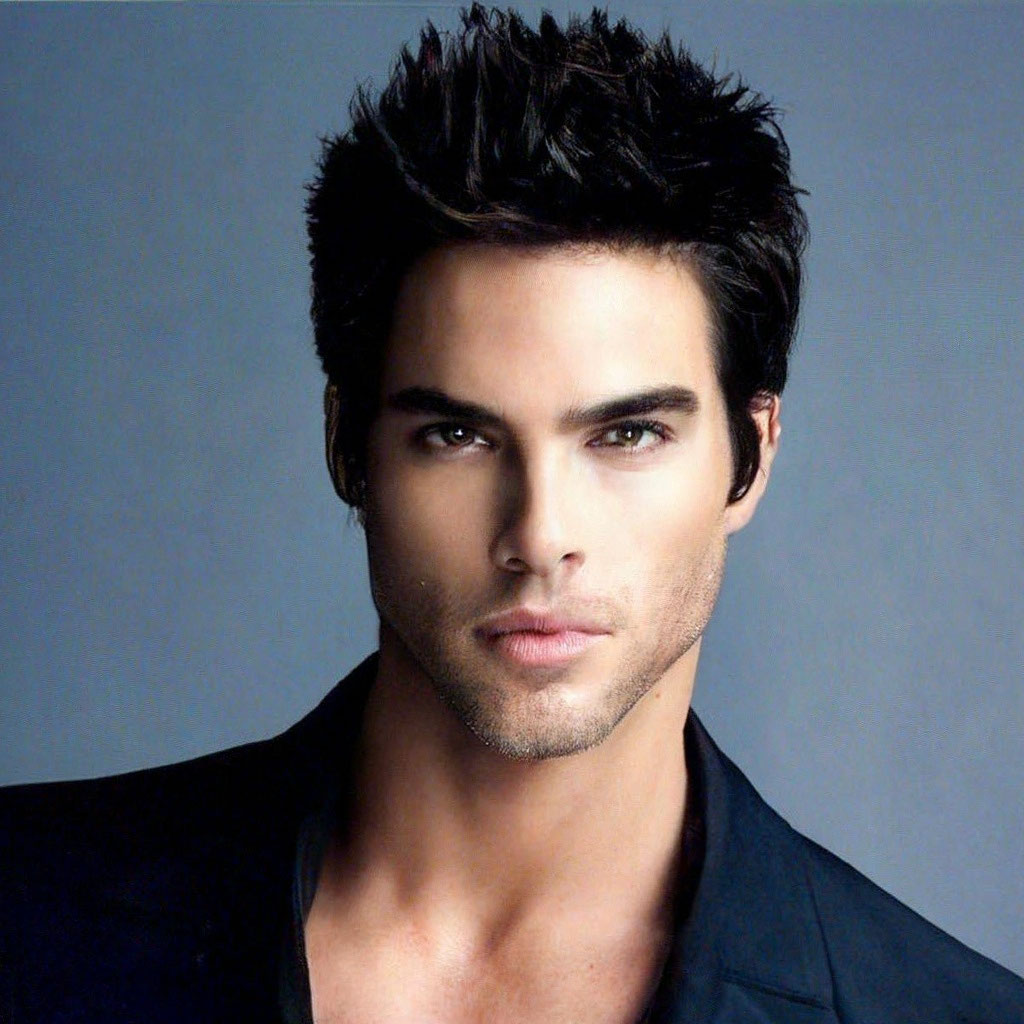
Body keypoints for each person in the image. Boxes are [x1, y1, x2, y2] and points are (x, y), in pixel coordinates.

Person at [2, 5, 1022, 1022]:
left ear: (749, 460)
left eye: (628, 434)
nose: (540, 537)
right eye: (458, 435)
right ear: (347, 448)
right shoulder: (25, 910)